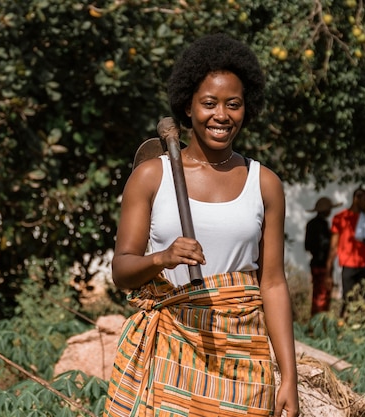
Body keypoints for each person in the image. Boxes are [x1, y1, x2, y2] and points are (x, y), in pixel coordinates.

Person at [103, 34, 299, 417]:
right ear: (188, 108)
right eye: (208, 103)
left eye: (233, 105)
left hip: (244, 360)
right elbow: (122, 270)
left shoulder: (265, 183)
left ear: (247, 109)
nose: (221, 116)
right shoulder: (151, 177)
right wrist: (162, 257)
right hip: (170, 351)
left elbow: (272, 283)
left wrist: (287, 375)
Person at [326, 187, 365, 316]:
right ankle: (345, 326)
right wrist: (328, 270)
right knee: (348, 300)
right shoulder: (340, 218)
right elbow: (334, 246)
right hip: (348, 266)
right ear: (356, 199)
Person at [304, 196, 340, 316]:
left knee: (317, 293)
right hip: (323, 265)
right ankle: (319, 322)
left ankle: (317, 321)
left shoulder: (310, 224)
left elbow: (307, 246)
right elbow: (326, 246)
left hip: (315, 264)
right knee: (322, 295)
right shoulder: (323, 225)